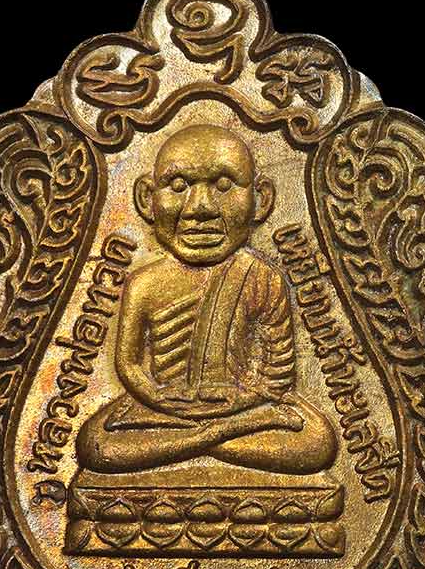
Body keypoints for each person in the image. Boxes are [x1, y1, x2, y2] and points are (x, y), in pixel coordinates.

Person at [76, 124, 337, 474]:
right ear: (147, 199)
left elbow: (277, 371)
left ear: (261, 199)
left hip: (245, 408)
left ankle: (200, 439)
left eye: (224, 185)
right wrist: (158, 396)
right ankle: (215, 437)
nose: (200, 208)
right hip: (162, 411)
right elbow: (129, 363)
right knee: (96, 445)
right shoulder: (143, 282)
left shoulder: (262, 276)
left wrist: (242, 400)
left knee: (317, 443)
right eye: (178, 186)